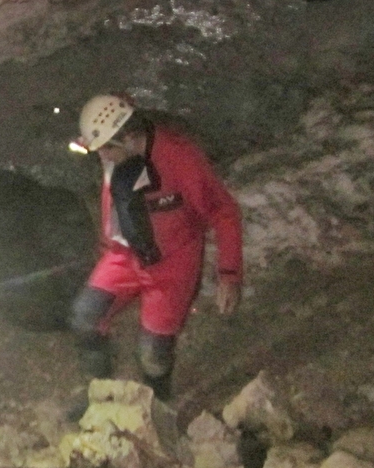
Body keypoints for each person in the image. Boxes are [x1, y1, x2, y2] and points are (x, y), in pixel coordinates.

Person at [68, 93, 244, 400]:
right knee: (85, 318)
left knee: (152, 354)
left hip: (172, 264)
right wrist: (107, 244)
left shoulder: (180, 157)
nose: (103, 157)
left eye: (108, 148)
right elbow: (115, 200)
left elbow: (223, 212)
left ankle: (158, 404)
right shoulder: (115, 154)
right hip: (123, 257)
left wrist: (229, 274)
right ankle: (100, 392)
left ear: (131, 137)